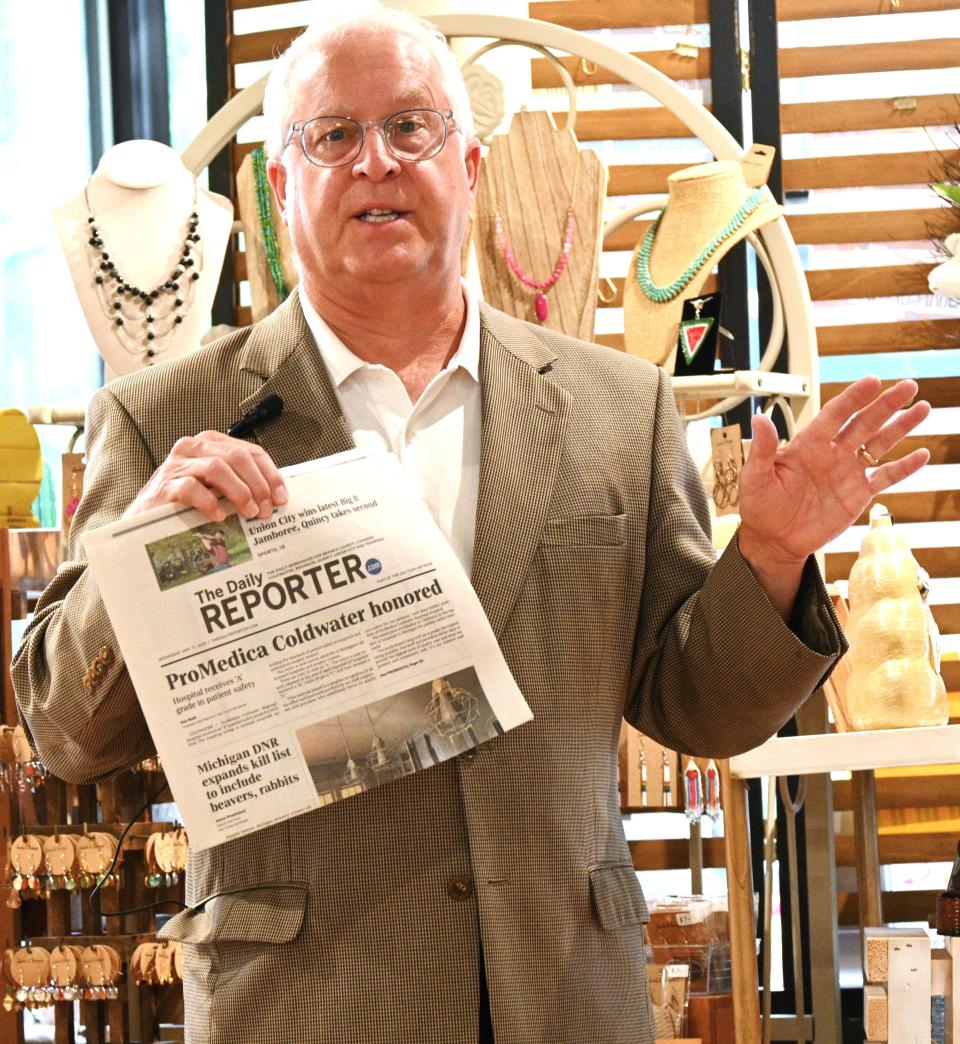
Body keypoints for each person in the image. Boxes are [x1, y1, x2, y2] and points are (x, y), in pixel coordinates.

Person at [13, 8, 929, 1043]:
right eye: (333, 137)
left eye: (412, 129)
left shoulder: (619, 408)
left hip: (565, 994)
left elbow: (695, 711)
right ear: (277, 187)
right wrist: (150, 554)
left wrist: (768, 555)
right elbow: (63, 734)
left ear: (473, 165)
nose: (377, 165)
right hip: (305, 1005)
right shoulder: (166, 417)